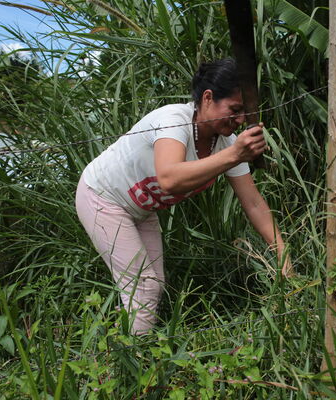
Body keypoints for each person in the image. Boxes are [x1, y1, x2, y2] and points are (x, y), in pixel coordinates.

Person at [75, 58, 291, 334]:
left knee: (153, 285)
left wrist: (282, 250)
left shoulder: (225, 143)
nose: (239, 120)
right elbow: (169, 178)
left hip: (140, 209)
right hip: (102, 197)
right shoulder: (173, 120)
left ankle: (125, 349)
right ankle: (132, 366)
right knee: (144, 286)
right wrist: (235, 153)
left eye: (244, 113)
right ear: (208, 98)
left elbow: (254, 203)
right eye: (234, 110)